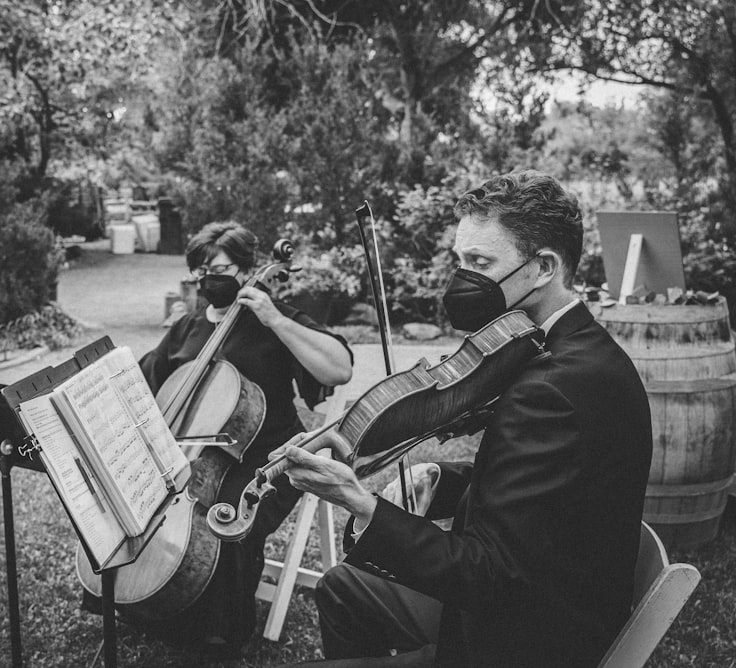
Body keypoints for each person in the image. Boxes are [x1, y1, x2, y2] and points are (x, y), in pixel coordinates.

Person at [274, 170, 653, 667]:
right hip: (539, 594)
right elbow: (536, 490)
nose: (462, 279)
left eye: (480, 262)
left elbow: (489, 573)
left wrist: (357, 500)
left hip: (527, 638)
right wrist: (443, 479)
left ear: (543, 267)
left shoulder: (555, 388)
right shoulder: (561, 348)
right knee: (344, 586)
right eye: (460, 261)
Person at [134, 221, 353, 654]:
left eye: (219, 268)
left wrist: (273, 318)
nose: (207, 278)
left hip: (270, 454)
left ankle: (218, 629)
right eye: (200, 270)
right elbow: (147, 379)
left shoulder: (275, 318)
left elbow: (339, 368)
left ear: (246, 269)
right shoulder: (187, 326)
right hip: (193, 453)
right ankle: (153, 599)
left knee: (225, 514)